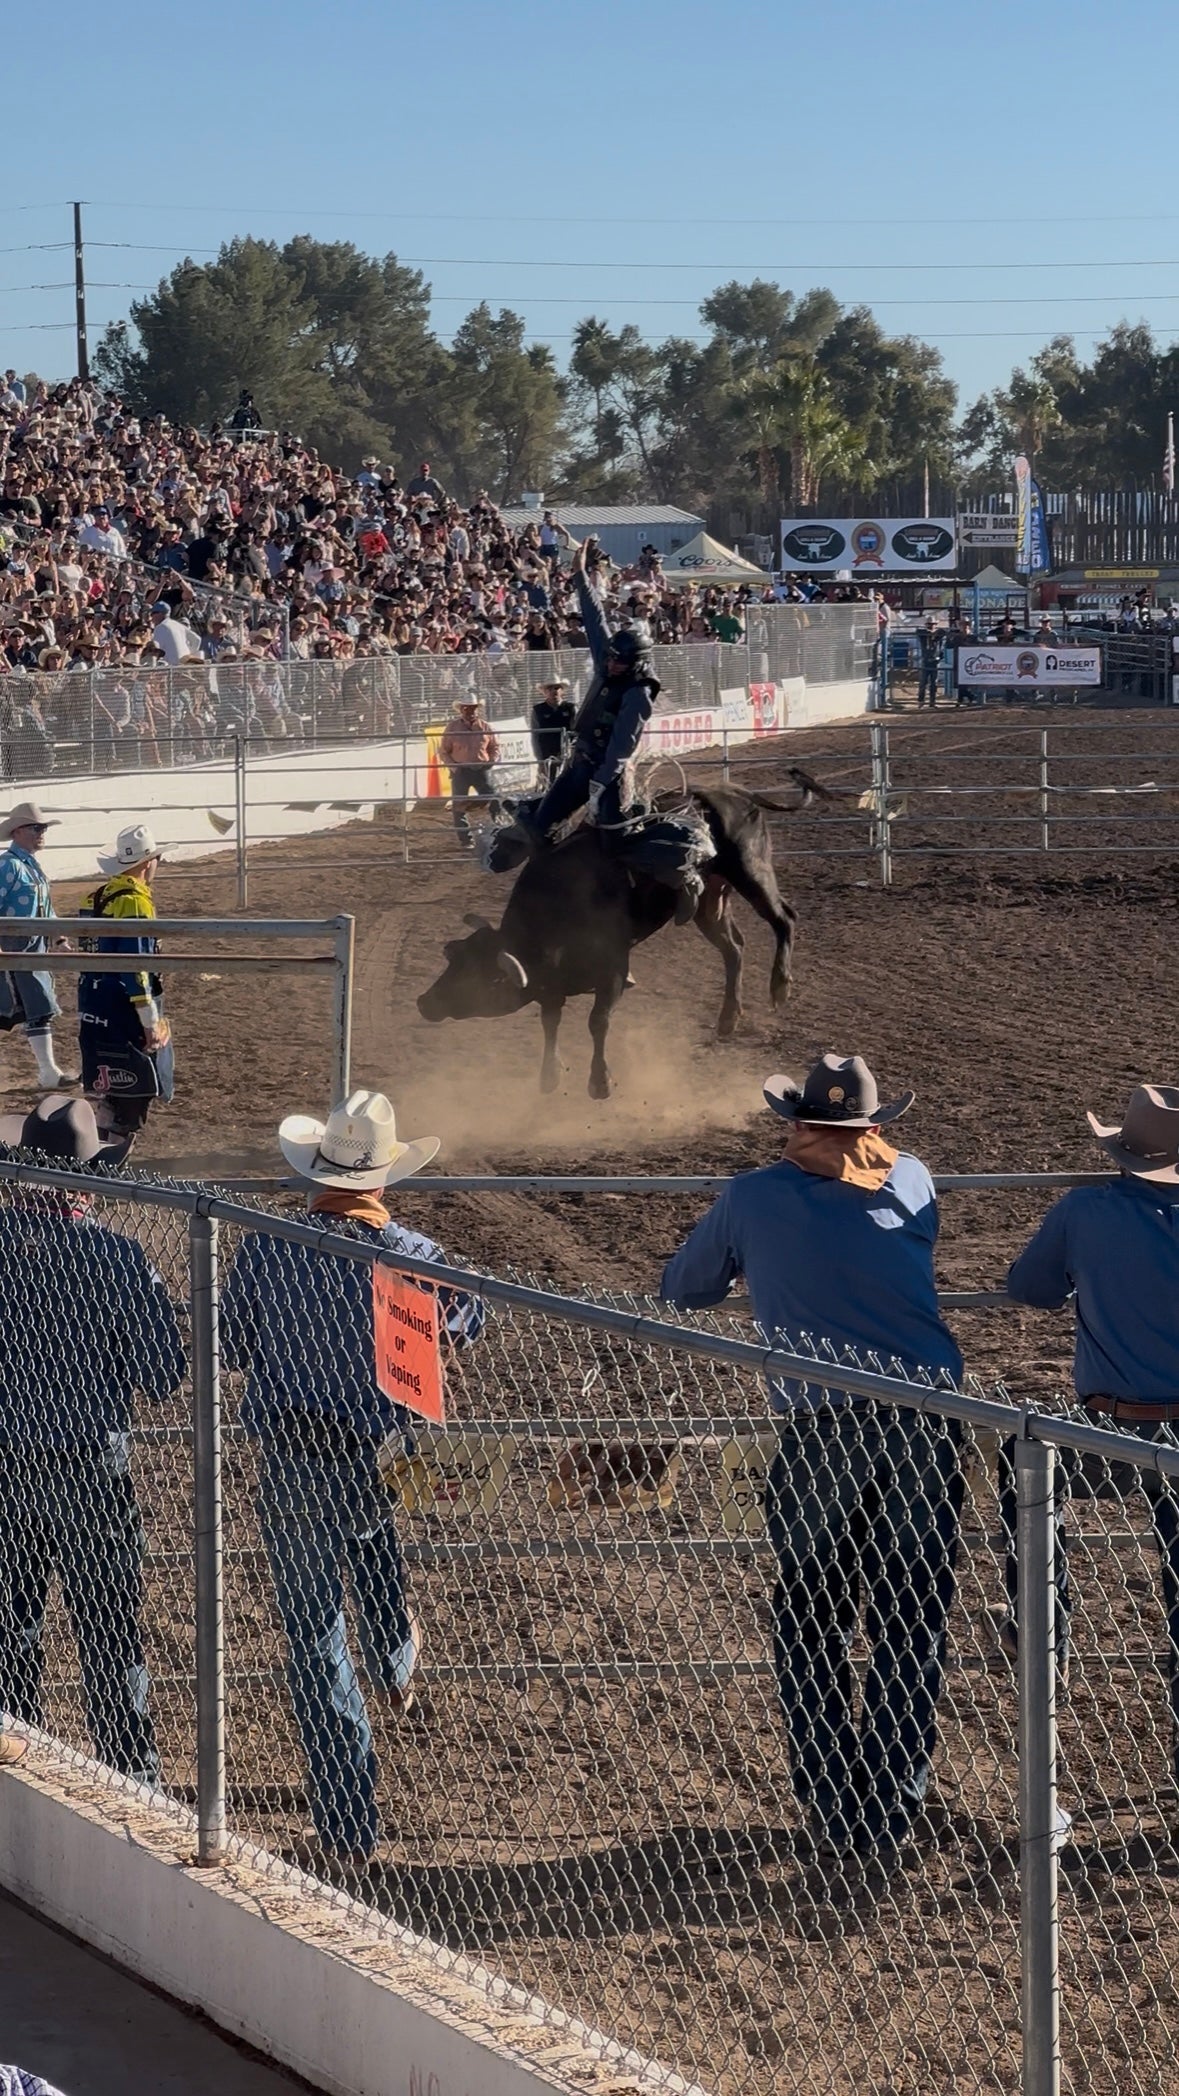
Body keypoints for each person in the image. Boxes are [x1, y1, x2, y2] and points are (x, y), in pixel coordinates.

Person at [661, 1053, 965, 1864]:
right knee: (909, 1616)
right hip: (927, 1419)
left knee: (811, 1615)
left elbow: (683, 1289)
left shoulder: (752, 1196)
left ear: (798, 1125)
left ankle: (831, 1801)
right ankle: (892, 1804)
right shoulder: (911, 1178)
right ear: (873, 1125)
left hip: (821, 1426)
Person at [220, 1090, 484, 1872]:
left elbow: (234, 1344)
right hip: (378, 1450)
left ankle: (345, 1827)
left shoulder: (267, 1247)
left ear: (318, 1169)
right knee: (368, 1530)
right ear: (383, 1175)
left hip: (295, 1453)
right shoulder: (412, 1254)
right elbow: (469, 1320)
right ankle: (395, 1658)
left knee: (314, 1636)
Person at [0, 1097, 186, 1782]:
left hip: (6, 1459)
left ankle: (15, 1767)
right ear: (87, 1179)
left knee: (9, 1627)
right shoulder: (117, 1256)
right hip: (90, 1466)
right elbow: (162, 1373)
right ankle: (132, 1779)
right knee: (109, 1631)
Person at [1006, 1083, 1179, 1792]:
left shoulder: (1085, 1210)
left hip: (1114, 1430)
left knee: (1024, 1463)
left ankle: (1044, 1626)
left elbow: (1029, 1288)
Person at [519, 539, 705, 924]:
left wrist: (600, 784)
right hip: (581, 764)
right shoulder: (610, 662)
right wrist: (580, 574)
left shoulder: (638, 694)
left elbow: (622, 746)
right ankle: (553, 894)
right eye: (611, 658)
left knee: (614, 839)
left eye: (620, 661)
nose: (611, 664)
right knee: (538, 826)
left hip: (608, 772)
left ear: (636, 663)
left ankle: (681, 880)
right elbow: (593, 619)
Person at [77, 824, 174, 1150]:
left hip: (94, 1005)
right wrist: (149, 1021)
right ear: (148, 863)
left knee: (109, 1088)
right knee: (134, 1091)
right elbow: (136, 967)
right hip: (125, 1009)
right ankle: (112, 1162)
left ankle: (95, 1154)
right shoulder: (136, 903)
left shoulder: (94, 898)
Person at [0, 802, 78, 1091]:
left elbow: (45, 910)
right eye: (36, 828)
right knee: (30, 1005)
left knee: (37, 1007)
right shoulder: (9, 866)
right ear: (17, 832)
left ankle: (48, 1071)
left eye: (43, 828)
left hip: (29, 948)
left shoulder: (29, 867)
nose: (41, 833)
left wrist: (58, 938)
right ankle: (47, 1072)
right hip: (13, 949)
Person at [437, 697, 501, 853]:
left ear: (477, 709)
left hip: (481, 769)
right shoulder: (452, 728)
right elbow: (444, 751)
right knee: (459, 805)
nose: (469, 711)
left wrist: (491, 761)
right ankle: (465, 839)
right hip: (461, 770)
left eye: (472, 708)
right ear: (461, 710)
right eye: (466, 708)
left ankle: (499, 832)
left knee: (494, 800)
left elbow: (495, 747)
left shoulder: (485, 726)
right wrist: (455, 768)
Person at [530, 676, 575, 787]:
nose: (554, 691)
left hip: (567, 752)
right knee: (549, 783)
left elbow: (576, 731)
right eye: (550, 688)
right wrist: (539, 759)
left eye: (557, 688)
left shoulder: (570, 708)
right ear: (545, 692)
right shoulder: (538, 710)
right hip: (547, 753)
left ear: (562, 690)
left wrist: (573, 751)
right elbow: (535, 736)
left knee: (569, 782)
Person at [915, 619, 943, 710]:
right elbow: (918, 631)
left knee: (934, 683)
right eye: (929, 624)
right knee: (923, 682)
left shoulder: (938, 635)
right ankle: (921, 701)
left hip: (935, 661)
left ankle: (932, 702)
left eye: (933, 624)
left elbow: (943, 632)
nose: (931, 626)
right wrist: (930, 633)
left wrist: (934, 634)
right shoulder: (923, 635)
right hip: (926, 660)